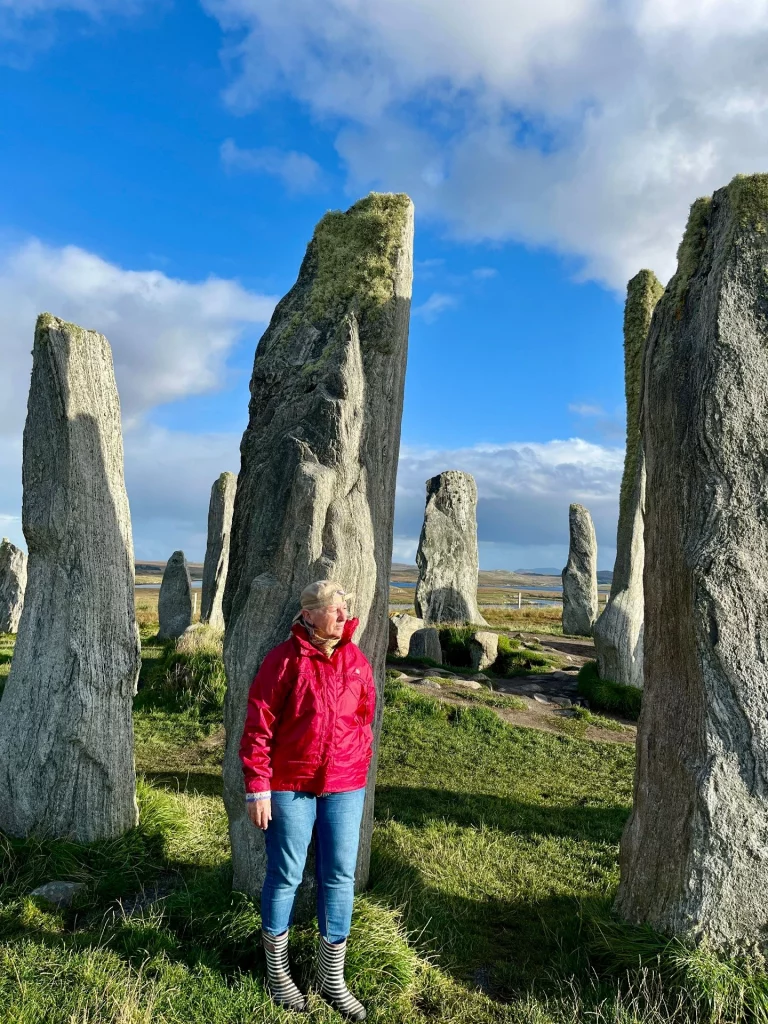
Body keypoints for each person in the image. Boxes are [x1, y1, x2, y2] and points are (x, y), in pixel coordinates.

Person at [239, 580, 376, 1020]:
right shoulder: (283, 661)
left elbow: (365, 717)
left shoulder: (356, 661)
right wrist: (257, 787)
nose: (342, 615)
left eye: (345, 608)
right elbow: (258, 728)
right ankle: (278, 973)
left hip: (345, 784)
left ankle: (330, 977)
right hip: (290, 784)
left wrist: (357, 760)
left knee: (339, 875)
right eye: (334, 609)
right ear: (309, 614)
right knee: (286, 875)